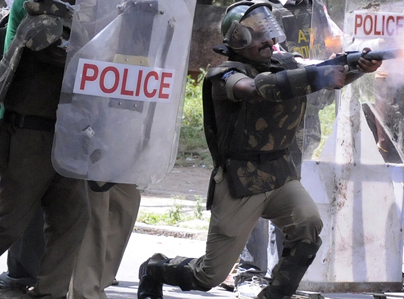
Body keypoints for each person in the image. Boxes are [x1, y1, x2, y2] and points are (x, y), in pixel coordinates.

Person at [137, 1, 381, 299]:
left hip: (279, 173)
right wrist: (320, 74)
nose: (268, 41)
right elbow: (254, 89)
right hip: (241, 180)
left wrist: (357, 68)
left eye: (269, 32)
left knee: (308, 225)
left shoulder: (285, 65)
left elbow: (326, 78)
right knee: (207, 276)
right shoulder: (225, 75)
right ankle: (155, 268)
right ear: (238, 39)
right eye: (258, 35)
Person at [227, 0, 341, 297]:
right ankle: (249, 272)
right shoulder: (259, 8)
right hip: (266, 114)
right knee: (255, 192)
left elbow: (330, 45)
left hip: (303, 116)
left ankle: (281, 277)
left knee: (288, 196)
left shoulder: (317, 8)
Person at [0, 0, 91, 298]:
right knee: (8, 223)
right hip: (29, 136)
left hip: (66, 137)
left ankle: (49, 293)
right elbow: (64, 56)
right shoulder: (41, 22)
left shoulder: (86, 26)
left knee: (73, 217)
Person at [0, 0, 46, 292]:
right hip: (20, 123)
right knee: (13, 212)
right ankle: (25, 271)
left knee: (71, 215)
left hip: (53, 124)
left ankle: (41, 280)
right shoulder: (27, 6)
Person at [67, 183, 141, 299]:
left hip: (125, 168)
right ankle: (85, 293)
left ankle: (96, 289)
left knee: (127, 204)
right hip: (95, 168)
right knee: (96, 218)